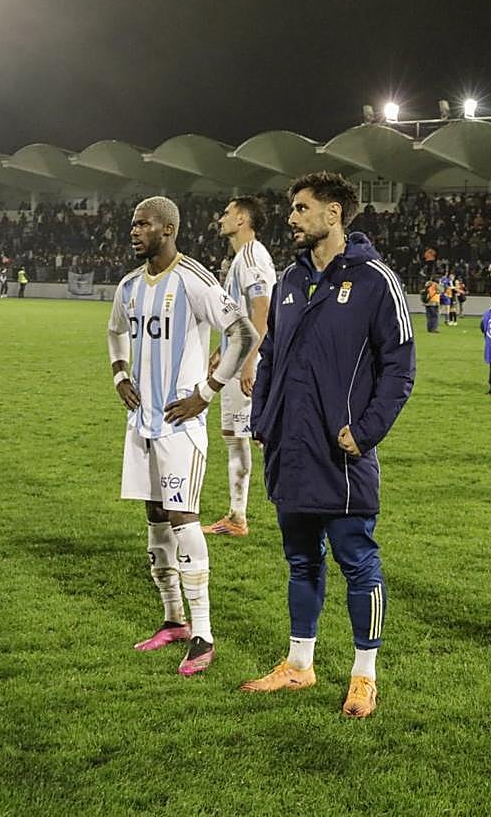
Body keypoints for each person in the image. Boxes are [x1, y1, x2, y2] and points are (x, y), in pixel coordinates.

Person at [240, 172, 415, 719]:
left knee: (358, 562)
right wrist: (262, 419)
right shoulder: (291, 279)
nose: (291, 218)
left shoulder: (375, 280)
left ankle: (365, 674)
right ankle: (299, 664)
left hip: (343, 455)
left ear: (333, 214)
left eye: (301, 209)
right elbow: (271, 357)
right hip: (290, 447)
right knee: (300, 561)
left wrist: (365, 432)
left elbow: (400, 369)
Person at [107, 195, 257, 676]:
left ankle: (203, 633)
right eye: (133, 224)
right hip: (142, 422)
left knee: (182, 517)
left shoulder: (193, 279)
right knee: (155, 517)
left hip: (181, 424)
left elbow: (244, 333)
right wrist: (119, 374)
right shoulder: (130, 285)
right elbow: (115, 332)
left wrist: (208, 392)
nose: (134, 231)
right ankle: (172, 619)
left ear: (168, 229)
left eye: (143, 224)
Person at [202, 196, 275, 538]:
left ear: (243, 219)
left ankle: (299, 506)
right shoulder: (241, 259)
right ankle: (237, 516)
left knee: (261, 437)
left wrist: (248, 363)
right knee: (240, 437)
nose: (222, 218)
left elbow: (262, 311)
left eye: (228, 213)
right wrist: (223, 349)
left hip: (250, 362)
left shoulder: (250, 257)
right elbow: (243, 317)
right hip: (241, 357)